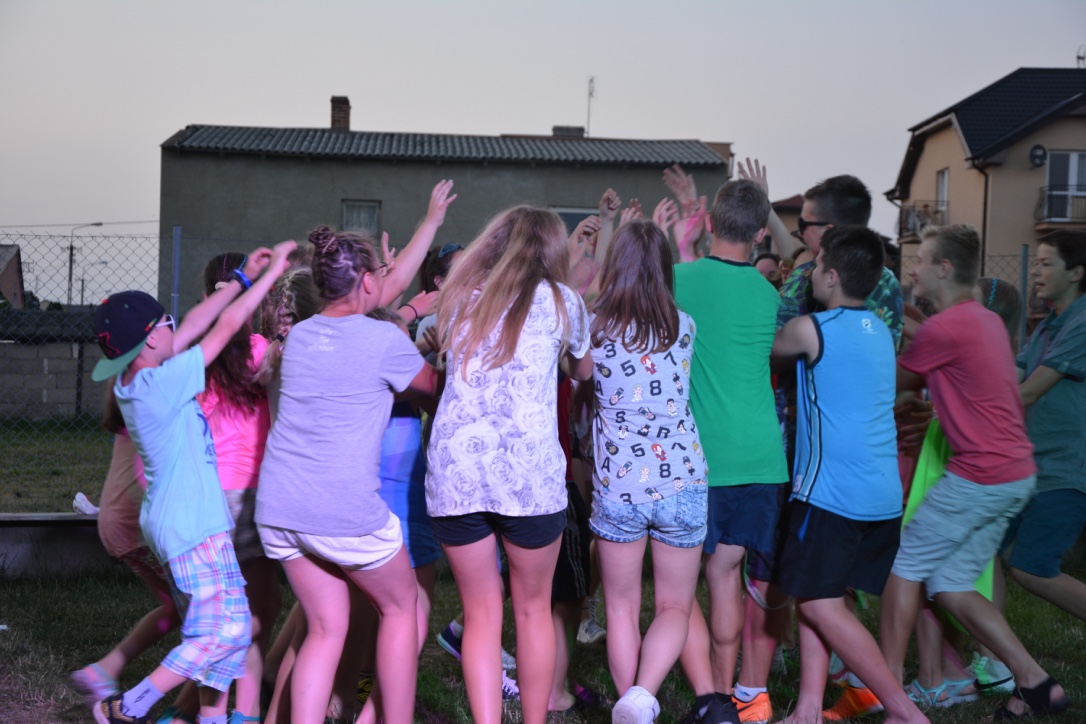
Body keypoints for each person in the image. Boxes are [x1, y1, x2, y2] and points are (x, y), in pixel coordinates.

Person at [88, 241, 295, 724]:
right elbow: (222, 326)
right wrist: (268, 277)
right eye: (167, 322)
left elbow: (201, 319)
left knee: (232, 631)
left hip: (195, 521)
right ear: (150, 341)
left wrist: (240, 279)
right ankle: (130, 704)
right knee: (222, 634)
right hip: (190, 527)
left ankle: (208, 718)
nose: (176, 325)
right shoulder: (163, 384)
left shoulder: (140, 376)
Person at [880, 224, 1071, 720]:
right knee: (951, 583)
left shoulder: (945, 328)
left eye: (921, 260)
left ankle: (890, 692)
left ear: (944, 269)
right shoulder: (984, 320)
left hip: (979, 475)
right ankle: (1035, 681)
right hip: (1015, 474)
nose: (914, 270)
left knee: (906, 566)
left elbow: (891, 383)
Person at [426, 205, 593, 724]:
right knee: (533, 610)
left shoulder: (458, 296)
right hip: (529, 476)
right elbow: (584, 370)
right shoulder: (563, 300)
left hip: (457, 473)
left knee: (481, 613)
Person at [771, 225, 928, 724]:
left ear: (832, 276)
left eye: (817, 266)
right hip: (881, 497)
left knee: (817, 604)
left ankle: (902, 709)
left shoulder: (809, 330)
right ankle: (808, 709)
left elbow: (770, 347)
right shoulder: (880, 331)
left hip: (830, 495)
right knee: (822, 595)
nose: (812, 272)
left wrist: (791, 276)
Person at [674, 179, 787, 724]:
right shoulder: (769, 294)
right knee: (728, 576)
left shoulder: (679, 279)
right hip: (761, 456)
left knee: (683, 584)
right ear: (761, 234)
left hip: (704, 456)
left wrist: (680, 243)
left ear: (710, 222)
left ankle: (712, 697)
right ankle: (732, 695)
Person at [589, 219, 708, 723]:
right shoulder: (684, 326)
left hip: (619, 484)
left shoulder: (595, 330)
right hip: (682, 479)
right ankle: (643, 694)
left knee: (620, 607)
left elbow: (577, 374)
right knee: (675, 607)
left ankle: (632, 704)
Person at [196, 253, 282, 724]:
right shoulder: (261, 350)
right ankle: (245, 713)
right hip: (252, 494)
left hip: (211, 497)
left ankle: (211, 710)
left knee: (218, 617)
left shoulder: (200, 354)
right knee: (256, 612)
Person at [70, 391, 181, 715]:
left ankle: (103, 671)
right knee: (206, 616)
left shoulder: (133, 393)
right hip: (139, 526)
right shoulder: (156, 395)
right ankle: (161, 708)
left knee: (178, 606)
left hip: (121, 521)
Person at [1007, 229, 1086, 623]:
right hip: (1031, 465)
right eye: (1035, 263)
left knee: (1032, 568)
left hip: (1065, 469)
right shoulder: (1047, 325)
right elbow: (1010, 378)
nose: (1035, 272)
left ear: (1076, 273)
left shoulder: (1083, 323)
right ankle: (992, 653)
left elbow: (1027, 392)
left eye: (1045, 263)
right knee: (986, 553)